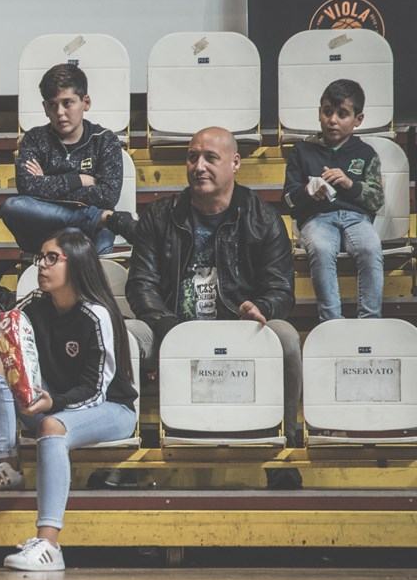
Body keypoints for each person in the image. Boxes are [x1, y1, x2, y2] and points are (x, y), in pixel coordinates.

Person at [125, 127, 303, 483]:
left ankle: (283, 449)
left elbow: (281, 289)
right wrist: (168, 328)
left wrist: (261, 308)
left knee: (285, 337)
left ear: (235, 163)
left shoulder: (262, 218)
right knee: (126, 334)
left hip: (238, 329)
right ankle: (126, 453)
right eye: (192, 157)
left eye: (210, 158)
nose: (199, 166)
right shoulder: (159, 216)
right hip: (171, 327)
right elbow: (141, 285)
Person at [0, 229, 137, 570]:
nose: (41, 266)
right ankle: (6, 462)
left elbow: (96, 389)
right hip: (52, 404)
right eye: (40, 258)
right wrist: (1, 334)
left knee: (51, 427)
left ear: (76, 264)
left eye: (51, 258)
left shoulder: (96, 314)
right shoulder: (35, 304)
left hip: (109, 409)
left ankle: (48, 545)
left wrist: (53, 404)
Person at [2, 64, 136, 255]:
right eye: (52, 105)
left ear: (85, 102)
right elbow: (27, 187)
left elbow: (108, 196)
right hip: (46, 231)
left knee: (98, 241)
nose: (60, 112)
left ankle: (93, 220)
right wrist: (79, 180)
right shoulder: (34, 139)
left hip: (88, 234)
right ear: (45, 108)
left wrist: (48, 187)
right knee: (13, 207)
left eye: (67, 103)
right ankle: (97, 217)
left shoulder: (105, 140)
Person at [284, 78, 384, 321]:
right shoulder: (301, 151)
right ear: (319, 112)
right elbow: (288, 199)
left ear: (358, 119)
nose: (333, 120)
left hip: (357, 218)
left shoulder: (366, 153)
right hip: (316, 219)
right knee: (321, 248)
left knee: (370, 248)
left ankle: (371, 319)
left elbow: (377, 199)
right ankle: (331, 320)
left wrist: (350, 184)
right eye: (327, 112)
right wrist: (308, 192)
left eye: (342, 114)